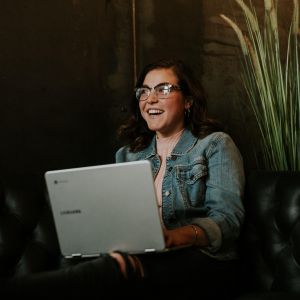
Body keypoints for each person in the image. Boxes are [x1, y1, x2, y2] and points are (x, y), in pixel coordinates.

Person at [2, 58, 245, 299]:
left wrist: (172, 237)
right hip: (147, 259)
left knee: (114, 271)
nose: (150, 99)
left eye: (164, 89)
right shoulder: (128, 154)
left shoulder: (215, 145)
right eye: (144, 91)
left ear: (188, 101)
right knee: (93, 266)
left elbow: (228, 220)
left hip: (206, 263)